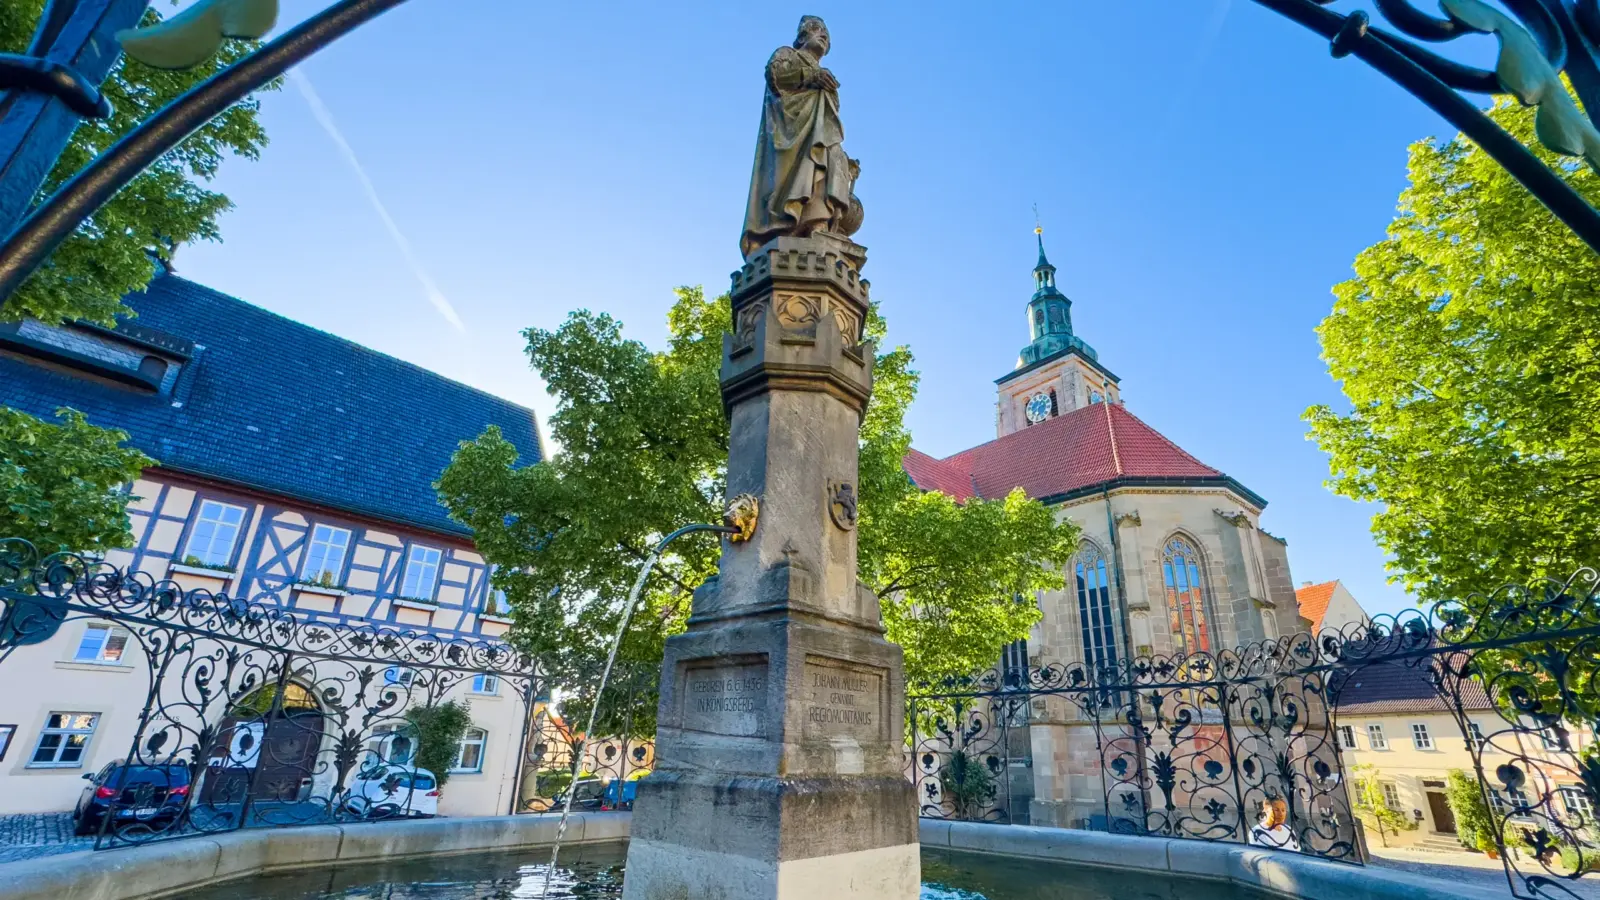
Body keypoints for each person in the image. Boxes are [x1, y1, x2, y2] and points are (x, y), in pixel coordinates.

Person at [741, 16, 863, 257]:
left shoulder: (826, 76)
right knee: (800, 172)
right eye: (818, 30)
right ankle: (787, 227)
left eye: (827, 34)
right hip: (789, 136)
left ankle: (817, 224)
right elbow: (775, 76)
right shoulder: (788, 54)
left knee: (826, 162)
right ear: (801, 37)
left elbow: (828, 126)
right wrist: (811, 77)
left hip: (819, 139)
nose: (824, 36)